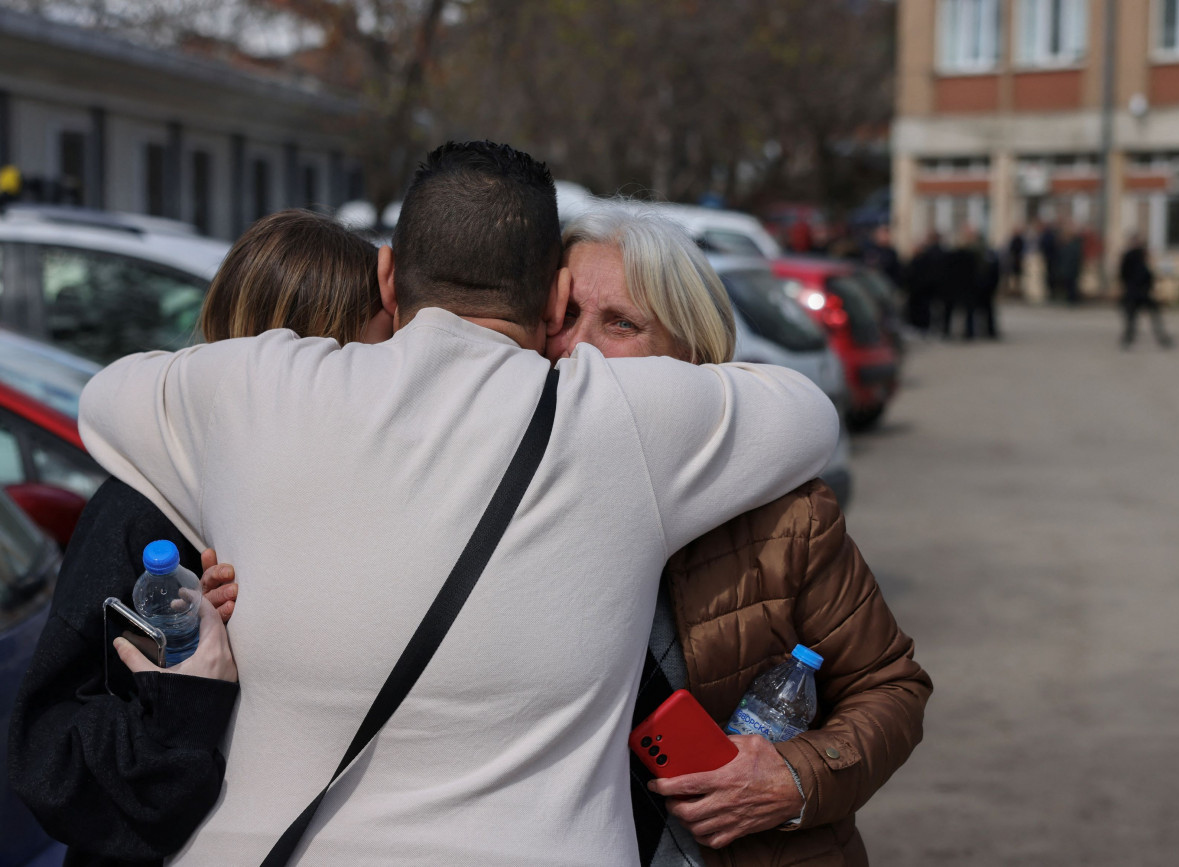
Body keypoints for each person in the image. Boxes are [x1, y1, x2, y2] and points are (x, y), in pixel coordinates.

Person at [73, 141, 840, 866]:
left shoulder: (248, 388)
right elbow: (807, 412)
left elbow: (105, 398)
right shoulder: (623, 420)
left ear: (387, 276)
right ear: (557, 295)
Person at [203, 202, 932, 867]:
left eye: (620, 324)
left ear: (694, 361)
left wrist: (795, 776)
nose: (576, 349)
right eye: (563, 317)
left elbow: (890, 684)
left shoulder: (783, 513)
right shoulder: (460, 481)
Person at [7, 209, 386, 867]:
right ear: (308, 354)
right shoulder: (149, 506)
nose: (393, 383)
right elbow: (54, 762)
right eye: (375, 355)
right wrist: (192, 684)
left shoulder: (341, 498)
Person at [1118, 233, 1173, 350]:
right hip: (1134, 292)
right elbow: (1125, 275)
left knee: (1150, 316)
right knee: (1132, 318)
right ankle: (1128, 338)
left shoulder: (1141, 255)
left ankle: (1160, 338)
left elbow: (1147, 274)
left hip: (1142, 292)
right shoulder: (1131, 256)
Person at [904, 231, 945, 336]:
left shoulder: (925, 258)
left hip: (922, 289)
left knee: (923, 309)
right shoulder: (930, 255)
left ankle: (922, 327)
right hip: (925, 289)